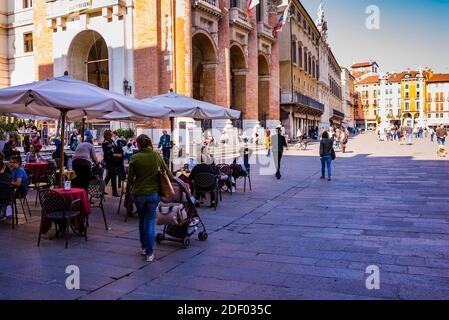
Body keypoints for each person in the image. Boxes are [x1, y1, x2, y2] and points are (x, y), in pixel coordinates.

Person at [127, 134, 174, 262]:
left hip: (138, 194)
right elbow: (168, 173)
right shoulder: (156, 156)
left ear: (138, 144)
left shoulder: (134, 158)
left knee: (142, 220)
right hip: (153, 194)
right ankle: (150, 252)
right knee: (150, 221)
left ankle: (143, 247)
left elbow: (130, 179)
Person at [102, 130, 120, 197]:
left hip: (114, 160)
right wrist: (113, 153)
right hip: (109, 161)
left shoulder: (111, 141)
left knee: (109, 176)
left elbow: (115, 148)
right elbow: (106, 153)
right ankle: (114, 192)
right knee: (113, 176)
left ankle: (101, 189)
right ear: (107, 135)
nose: (111, 136)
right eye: (109, 135)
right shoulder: (105, 143)